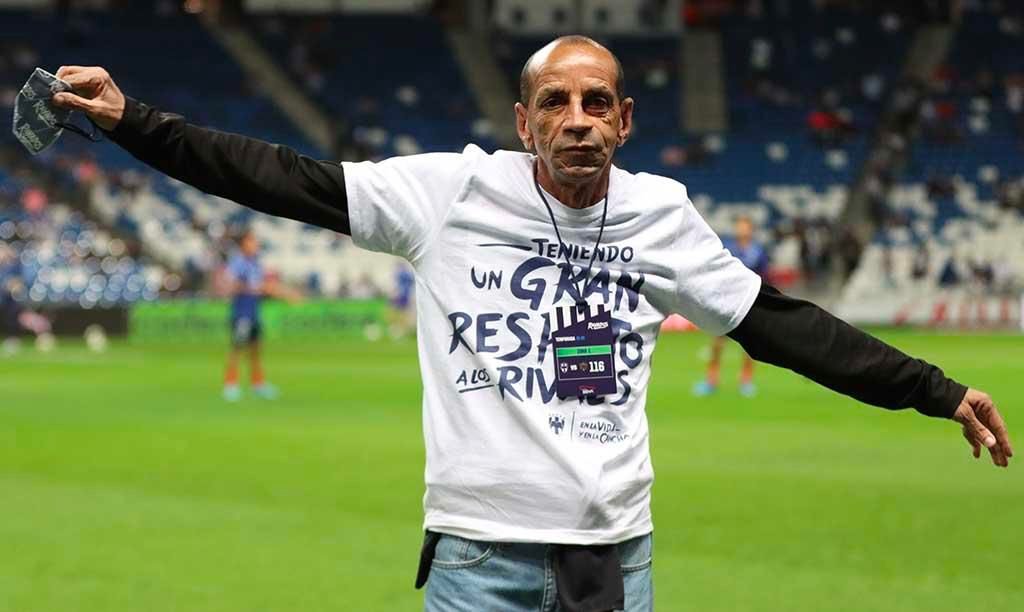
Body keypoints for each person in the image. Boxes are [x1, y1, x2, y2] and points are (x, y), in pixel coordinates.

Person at [50, 36, 1012, 612]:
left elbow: (783, 326)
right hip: (479, 553)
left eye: (599, 103)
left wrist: (934, 391)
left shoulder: (662, 216)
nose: (578, 118)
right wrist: (135, 120)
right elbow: (277, 178)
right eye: (556, 102)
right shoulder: (449, 193)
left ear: (626, 120)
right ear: (524, 121)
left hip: (614, 552)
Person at [693, 215, 768, 398]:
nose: (741, 230)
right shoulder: (729, 249)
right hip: (726, 303)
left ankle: (746, 381)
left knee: (749, 348)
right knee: (717, 344)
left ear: (751, 229)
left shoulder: (757, 252)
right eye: (739, 226)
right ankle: (711, 380)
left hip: (749, 304)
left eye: (745, 226)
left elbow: (765, 276)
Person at [221, 230, 299, 402]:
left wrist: (283, 293)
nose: (255, 244)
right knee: (237, 348)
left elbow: (264, 286)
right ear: (243, 244)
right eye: (252, 241)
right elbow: (229, 284)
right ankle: (230, 384)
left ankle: (258, 384)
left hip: (254, 312)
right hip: (242, 312)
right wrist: (252, 287)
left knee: (256, 349)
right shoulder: (239, 262)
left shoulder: (255, 263)